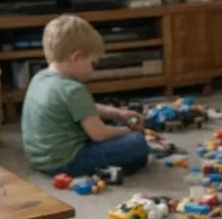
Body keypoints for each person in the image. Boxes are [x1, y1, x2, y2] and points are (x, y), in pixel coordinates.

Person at [21, 15, 148, 177]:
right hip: (67, 161)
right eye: (92, 63)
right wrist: (128, 130)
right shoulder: (73, 89)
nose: (93, 70)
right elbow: (99, 134)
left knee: (112, 125)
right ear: (76, 57)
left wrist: (118, 113)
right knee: (137, 142)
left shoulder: (39, 78)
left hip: (40, 159)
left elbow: (82, 109)